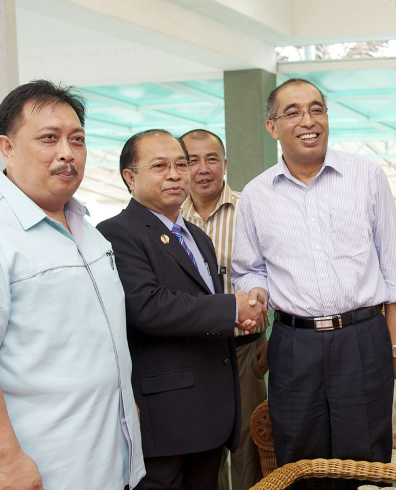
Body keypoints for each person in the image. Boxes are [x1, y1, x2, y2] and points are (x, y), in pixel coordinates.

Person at [0, 79, 144, 489]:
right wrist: (9, 461)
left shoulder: (88, 230)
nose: (67, 153)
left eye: (77, 139)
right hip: (36, 470)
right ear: (7, 148)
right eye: (49, 139)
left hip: (107, 460)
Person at [232, 78, 396, 466]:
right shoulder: (255, 195)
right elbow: (248, 270)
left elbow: (394, 269)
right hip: (294, 345)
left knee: (362, 462)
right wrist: (256, 294)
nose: (307, 120)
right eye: (292, 112)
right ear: (272, 127)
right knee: (300, 461)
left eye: (316, 109)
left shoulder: (367, 176)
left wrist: (394, 344)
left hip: (362, 340)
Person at [96, 129, 267, 490]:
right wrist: (230, 308)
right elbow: (147, 307)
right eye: (159, 166)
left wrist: (245, 307)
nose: (175, 174)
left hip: (209, 415)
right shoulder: (116, 233)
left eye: (180, 164)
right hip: (166, 419)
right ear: (130, 177)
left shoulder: (194, 235)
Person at [179, 129, 267, 490]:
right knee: (200, 450)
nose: (203, 169)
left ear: (225, 164)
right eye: (192, 160)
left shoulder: (251, 208)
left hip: (244, 350)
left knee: (250, 444)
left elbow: (274, 274)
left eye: (211, 159)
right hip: (191, 353)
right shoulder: (169, 216)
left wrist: (270, 339)